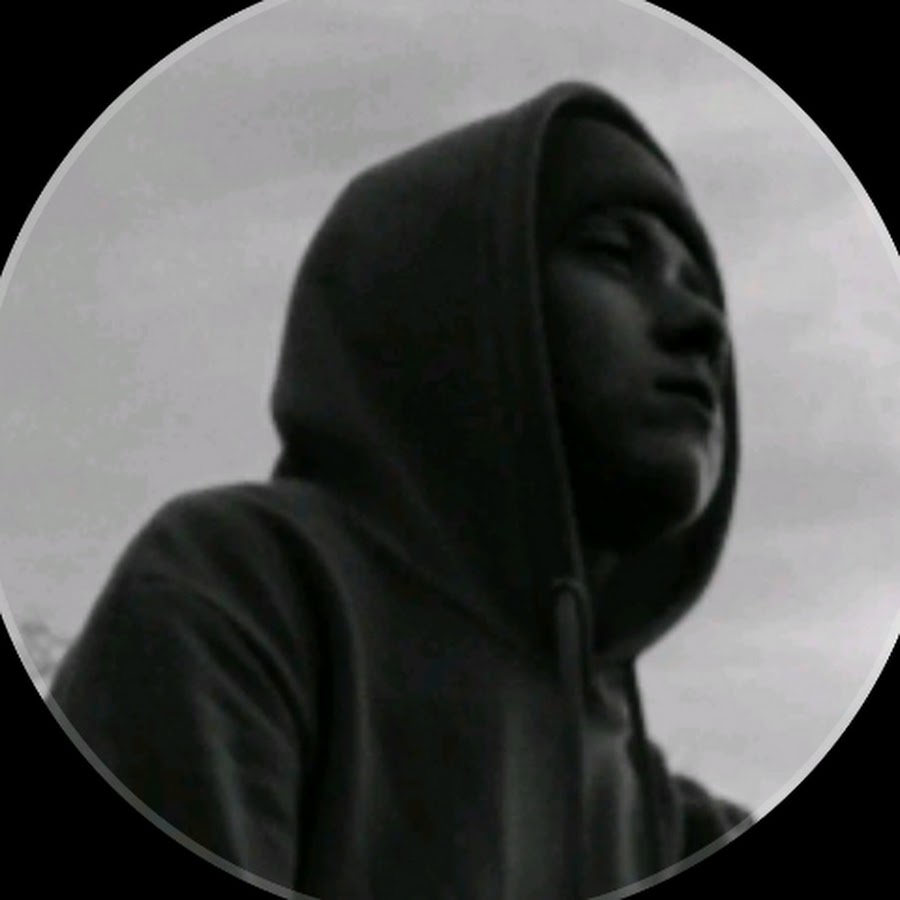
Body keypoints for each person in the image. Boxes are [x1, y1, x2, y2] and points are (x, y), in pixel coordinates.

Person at [50, 81, 750, 899]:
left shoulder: (675, 832)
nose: (704, 327)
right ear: (456, 300)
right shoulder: (246, 592)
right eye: (613, 255)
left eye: (701, 289)